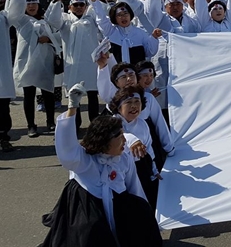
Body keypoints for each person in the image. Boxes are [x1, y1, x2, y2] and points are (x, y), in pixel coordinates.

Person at [40, 83, 162, 247]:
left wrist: (146, 217)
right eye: (119, 137)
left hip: (117, 203)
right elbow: (67, 149)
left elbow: (135, 188)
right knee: (91, 230)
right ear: (104, 142)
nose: (124, 141)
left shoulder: (124, 158)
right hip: (88, 207)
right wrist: (72, 108)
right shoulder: (85, 161)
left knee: (138, 215)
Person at [9, 0, 62, 137]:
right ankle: (31, 125)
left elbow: (58, 35)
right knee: (29, 94)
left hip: (44, 61)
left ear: (39, 6)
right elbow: (13, 10)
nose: (31, 7)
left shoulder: (45, 21)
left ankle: (50, 122)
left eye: (34, 4)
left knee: (48, 93)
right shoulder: (21, 21)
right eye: (28, 4)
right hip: (27, 62)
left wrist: (49, 39)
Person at [47, 0, 102, 131]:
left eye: (81, 4)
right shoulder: (65, 20)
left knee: (92, 94)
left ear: (85, 6)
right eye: (75, 5)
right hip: (72, 64)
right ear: (69, 7)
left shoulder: (91, 19)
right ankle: (75, 124)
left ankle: (95, 124)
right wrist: (56, 1)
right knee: (74, 96)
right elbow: (52, 20)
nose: (78, 7)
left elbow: (103, 19)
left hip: (90, 63)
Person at [84, 0, 160, 66]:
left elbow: (150, 52)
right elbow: (101, 16)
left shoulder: (140, 33)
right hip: (117, 76)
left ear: (130, 15)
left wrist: (154, 38)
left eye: (125, 14)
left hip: (136, 76)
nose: (123, 17)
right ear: (114, 18)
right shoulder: (111, 31)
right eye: (119, 15)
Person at [108, 85, 161, 210]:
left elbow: (149, 148)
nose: (134, 106)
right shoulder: (112, 122)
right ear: (119, 107)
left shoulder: (142, 124)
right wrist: (132, 140)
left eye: (137, 102)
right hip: (121, 169)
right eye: (128, 102)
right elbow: (118, 136)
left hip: (141, 167)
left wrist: (154, 169)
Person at [0, 0, 23, 151]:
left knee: (2, 108)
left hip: (1, 71)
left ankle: (3, 138)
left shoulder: (3, 17)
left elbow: (14, 12)